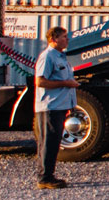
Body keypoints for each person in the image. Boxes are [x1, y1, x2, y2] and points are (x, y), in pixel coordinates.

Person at [34, 26, 79, 190]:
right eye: (64, 37)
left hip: (59, 105)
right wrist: (66, 83)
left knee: (54, 143)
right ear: (54, 39)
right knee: (48, 142)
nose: (67, 39)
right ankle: (45, 178)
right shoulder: (47, 57)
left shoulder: (61, 57)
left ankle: (48, 175)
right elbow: (40, 81)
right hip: (50, 106)